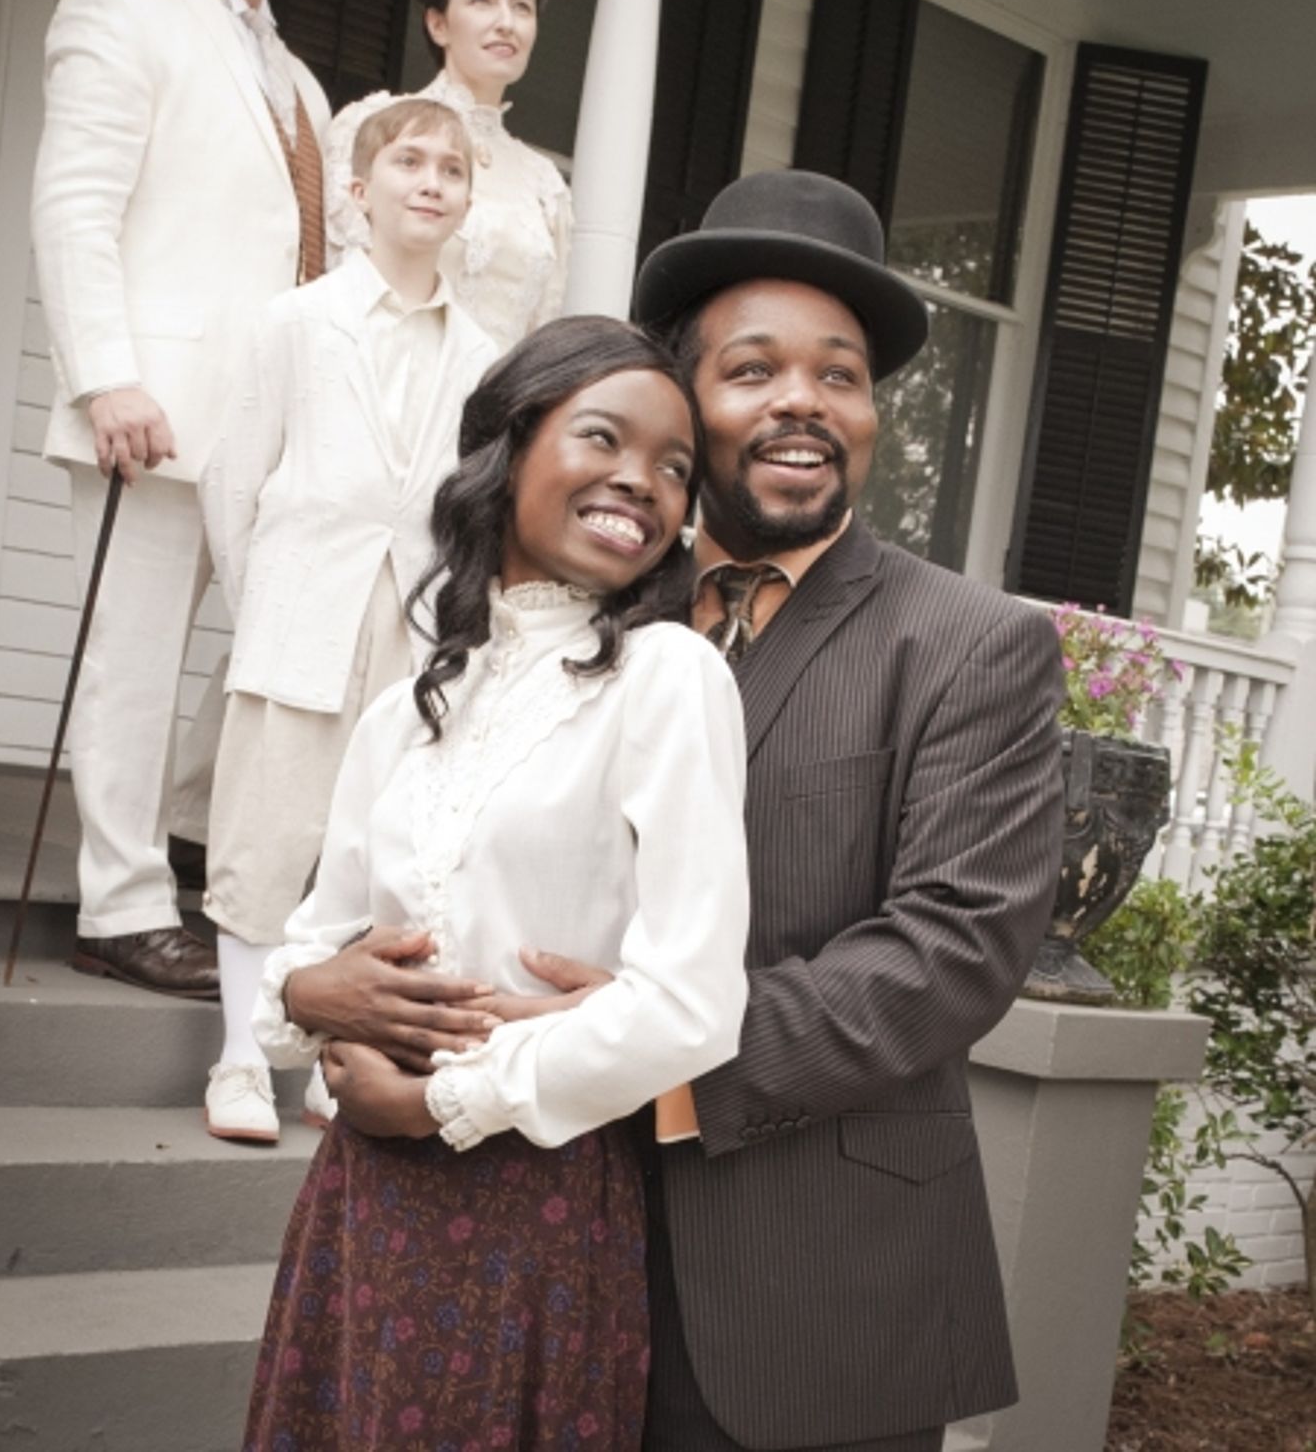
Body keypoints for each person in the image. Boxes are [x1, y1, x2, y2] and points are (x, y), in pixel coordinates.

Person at [329, 172, 1066, 1452]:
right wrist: (343, 993)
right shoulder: (581, 626)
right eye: (752, 370)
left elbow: (951, 952)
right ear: (683, 405)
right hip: (545, 1247)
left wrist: (637, 1048)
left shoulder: (969, 643)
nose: (802, 400)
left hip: (811, 1285)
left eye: (840, 376)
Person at [242, 317, 751, 1452]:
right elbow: (309, 949)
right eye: (604, 438)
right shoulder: (408, 707)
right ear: (507, 451)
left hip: (536, 1202)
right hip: (361, 1200)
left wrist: (431, 1099)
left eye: (674, 468)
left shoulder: (665, 677)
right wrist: (320, 999)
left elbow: (690, 1005)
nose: (642, 480)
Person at [31, 0, 340, 998]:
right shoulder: (120, 12)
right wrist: (106, 375)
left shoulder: (302, 85)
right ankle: (117, 903)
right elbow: (74, 206)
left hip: (270, 433)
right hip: (149, 410)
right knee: (135, 659)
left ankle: (195, 854)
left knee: (272, 659)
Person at [196, 98, 497, 1143]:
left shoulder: (485, 355)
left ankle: (334, 1061)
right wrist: (269, 601)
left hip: (415, 630)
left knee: (376, 847)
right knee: (266, 832)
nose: (429, 179)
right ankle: (240, 1051)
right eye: (407, 161)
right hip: (301, 607)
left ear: (465, 200)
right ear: (359, 192)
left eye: (450, 168)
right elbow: (232, 479)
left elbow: (472, 510)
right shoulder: (296, 323)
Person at [325, 0, 572, 350]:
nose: (506, 24)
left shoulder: (545, 184)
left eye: (522, 7)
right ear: (438, 24)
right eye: (482, 1)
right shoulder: (371, 125)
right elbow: (335, 277)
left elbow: (542, 335)